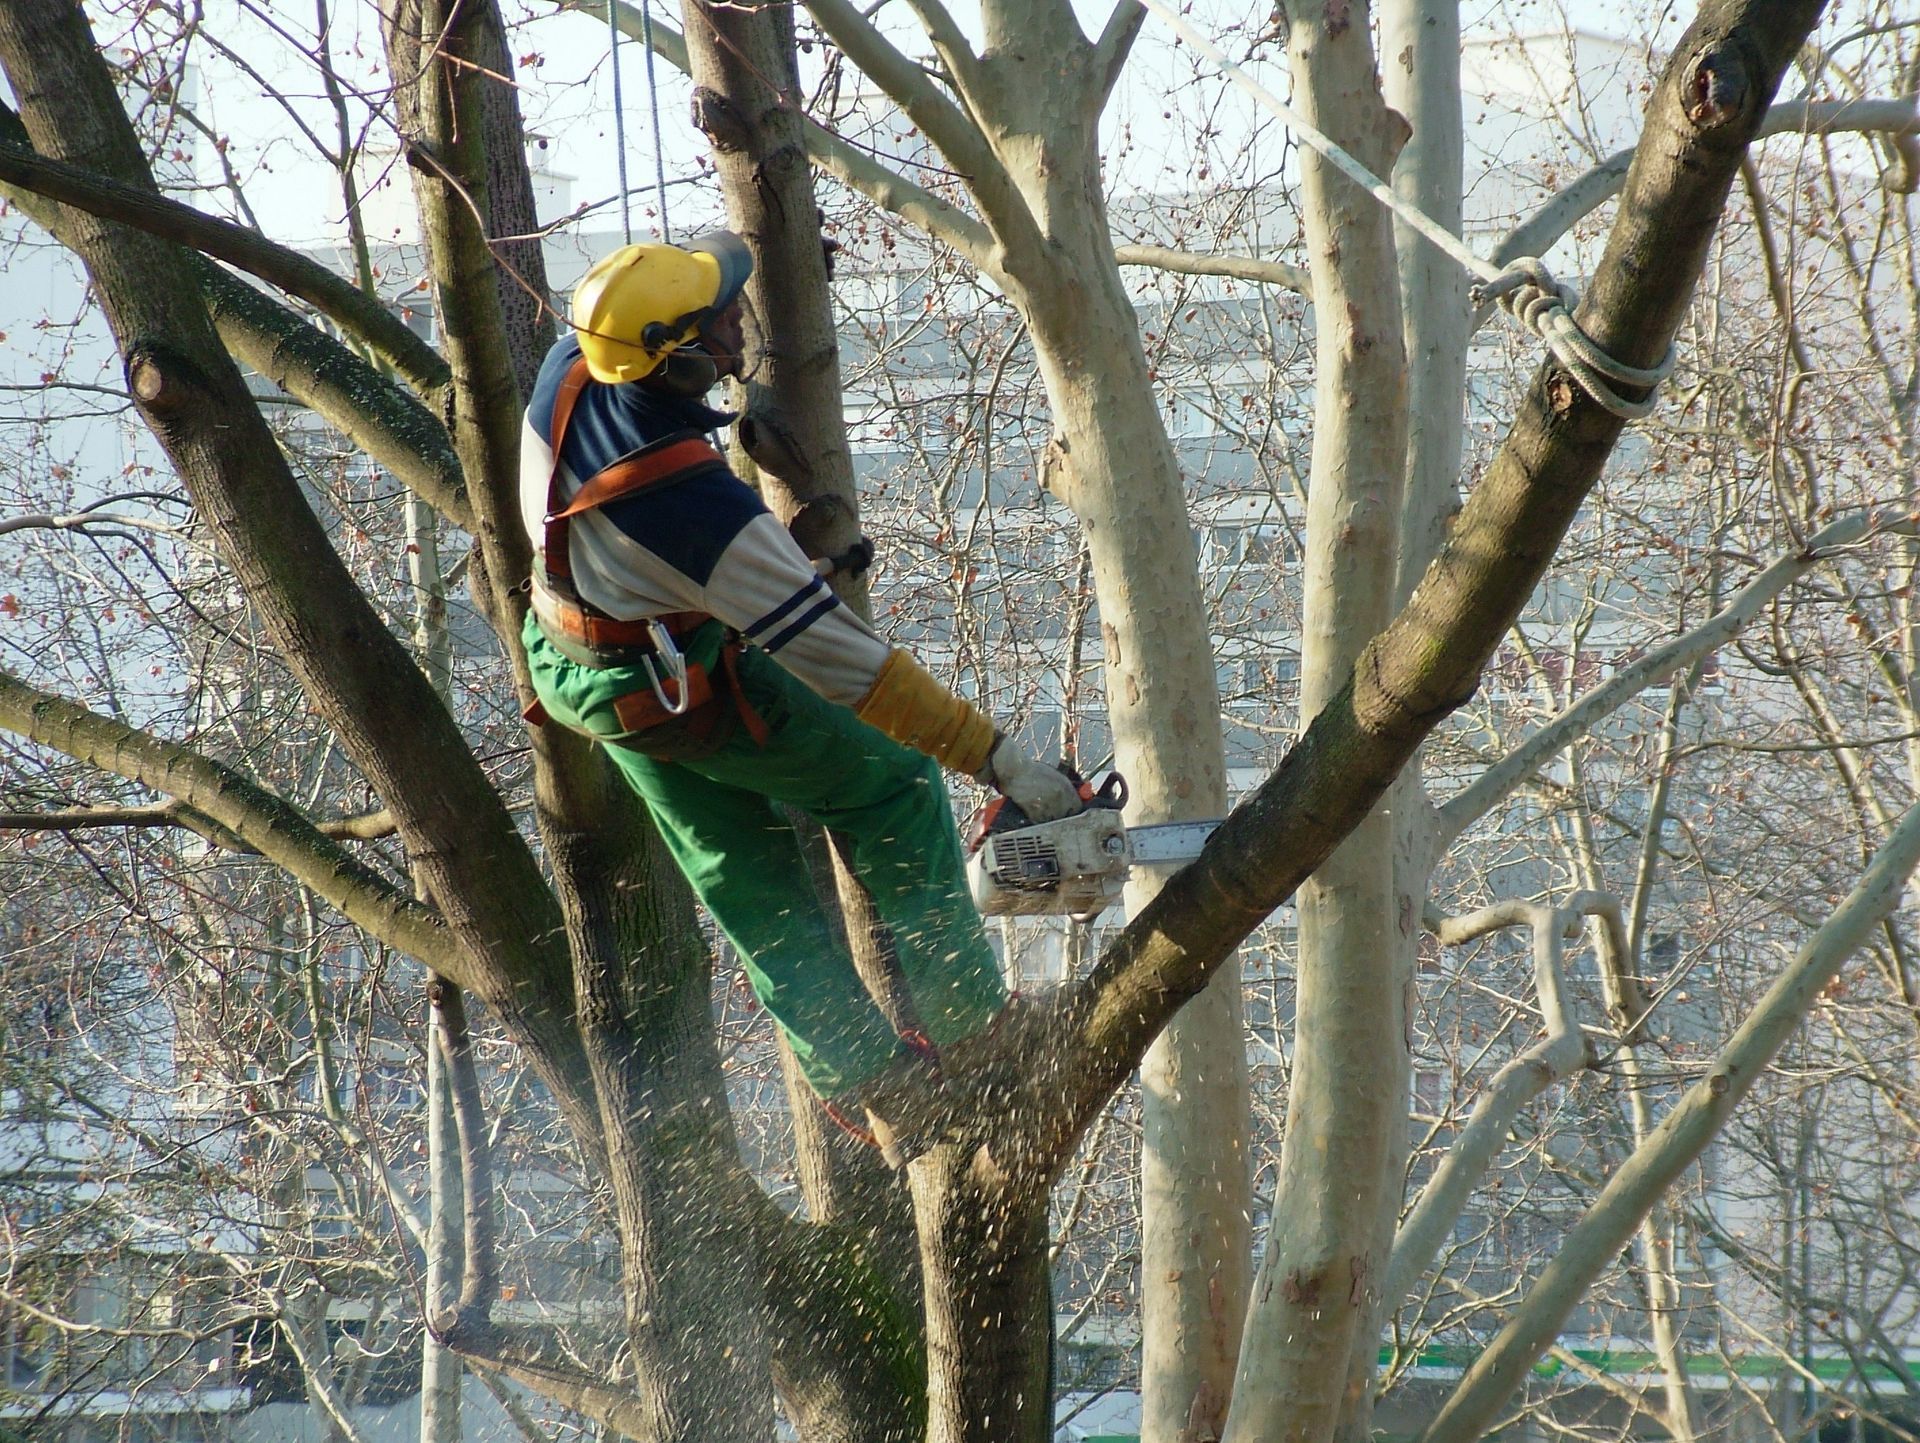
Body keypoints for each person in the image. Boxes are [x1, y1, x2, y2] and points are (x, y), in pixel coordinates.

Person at [517, 230, 1082, 1166]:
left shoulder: (570, 362)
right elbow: (852, 669)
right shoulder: (701, 516)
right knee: (893, 786)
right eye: (721, 316)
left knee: (745, 878)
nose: (739, 320)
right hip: (673, 679)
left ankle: (875, 1084)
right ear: (680, 356)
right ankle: (978, 1032)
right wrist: (997, 756)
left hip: (585, 665)